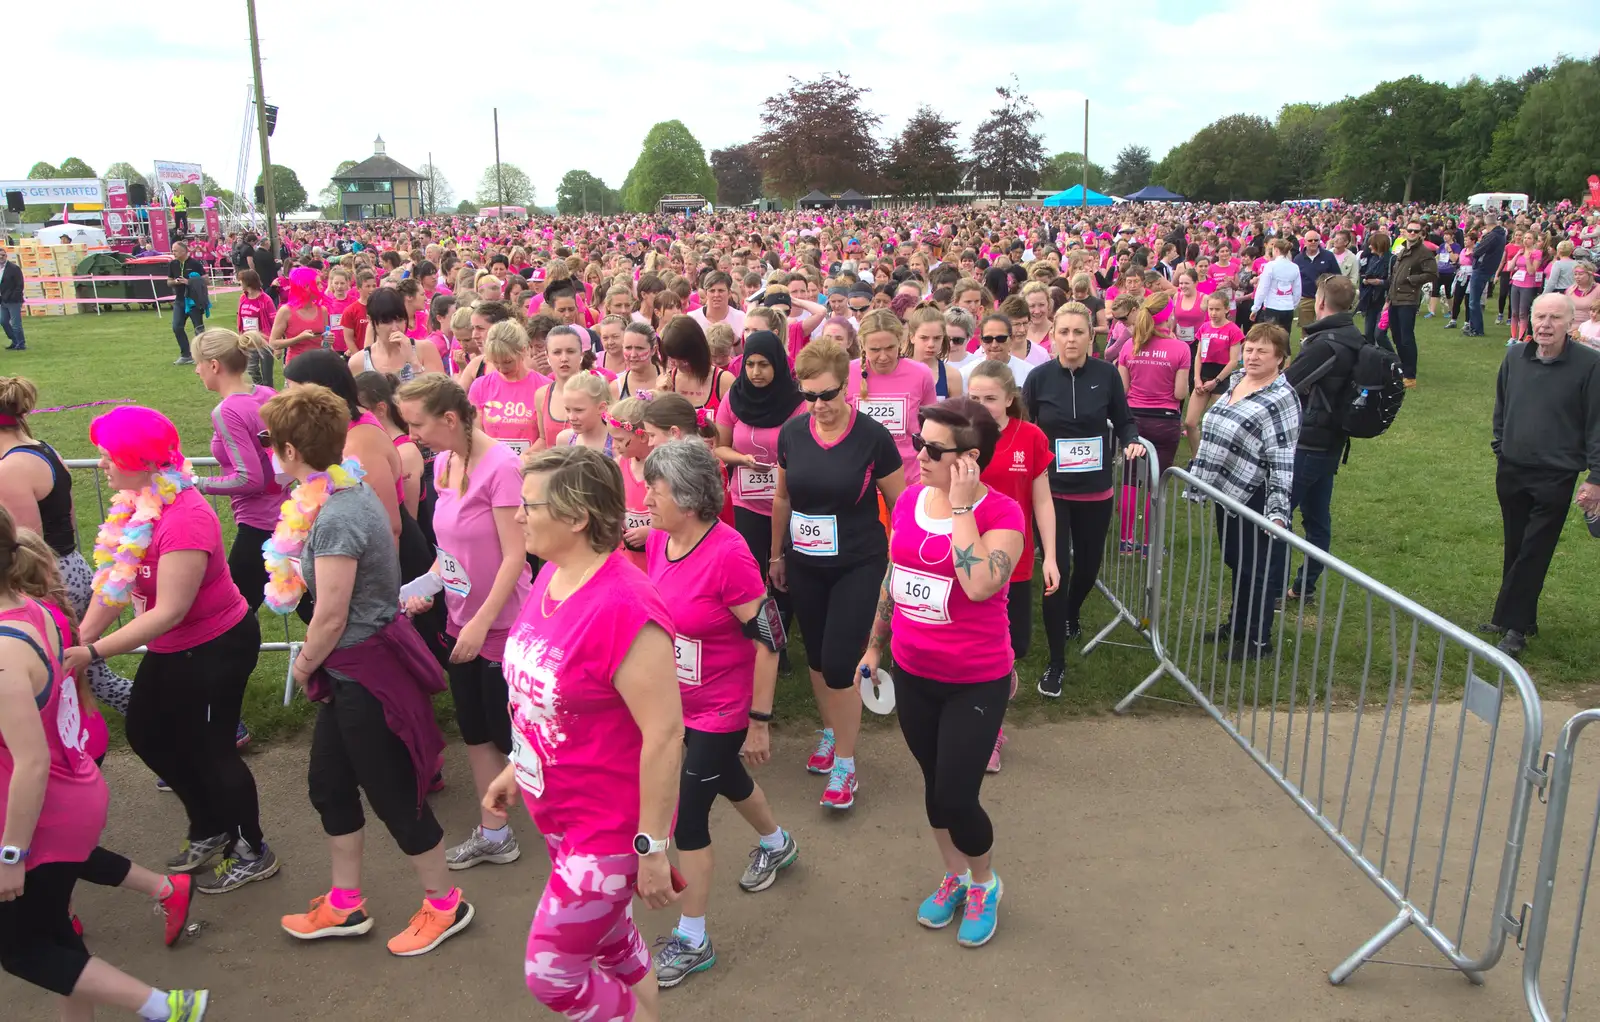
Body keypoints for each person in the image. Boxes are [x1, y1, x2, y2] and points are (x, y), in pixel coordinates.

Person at [262, 385, 473, 957]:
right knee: (329, 787)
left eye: (268, 442)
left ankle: (445, 904)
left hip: (365, 672)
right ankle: (345, 903)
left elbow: (329, 617)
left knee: (393, 793)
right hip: (353, 671)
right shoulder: (342, 490)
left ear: (287, 449)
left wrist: (305, 665)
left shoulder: (337, 514)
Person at [485, 445, 681, 1022]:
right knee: (611, 945)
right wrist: (515, 768)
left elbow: (666, 736)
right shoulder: (552, 572)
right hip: (560, 817)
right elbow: (543, 698)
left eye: (529, 505)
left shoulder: (625, 608)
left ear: (576, 518)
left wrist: (650, 848)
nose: (518, 516)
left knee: (552, 974)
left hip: (610, 831)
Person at [0, 509, 213, 1022]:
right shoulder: (31, 608)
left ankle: (166, 1008)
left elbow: (28, 762)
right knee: (56, 936)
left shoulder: (3, 652)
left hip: (41, 814)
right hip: (71, 793)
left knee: (22, 949)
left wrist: (10, 856)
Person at [66, 406, 276, 893]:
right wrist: (79, 635)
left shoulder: (185, 516)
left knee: (212, 747)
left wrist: (91, 653)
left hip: (215, 644)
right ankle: (209, 823)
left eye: (109, 455)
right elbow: (112, 584)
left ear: (141, 460)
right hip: (173, 646)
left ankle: (252, 848)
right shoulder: (136, 502)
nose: (102, 465)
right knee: (146, 732)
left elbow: (170, 611)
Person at [857, 397, 1024, 948]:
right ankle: (953, 873)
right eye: (916, 439)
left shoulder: (1002, 514)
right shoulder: (906, 500)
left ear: (969, 459)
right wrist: (874, 647)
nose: (917, 453)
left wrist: (959, 508)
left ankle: (984, 882)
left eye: (932, 447)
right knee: (934, 788)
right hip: (913, 671)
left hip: (975, 679)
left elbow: (979, 585)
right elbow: (894, 575)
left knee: (956, 796)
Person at [643, 439, 796, 988]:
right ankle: (778, 845)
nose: (646, 497)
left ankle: (693, 938)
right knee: (724, 776)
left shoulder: (728, 554)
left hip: (725, 705)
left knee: (688, 815)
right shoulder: (662, 538)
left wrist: (759, 718)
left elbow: (769, 636)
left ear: (686, 499)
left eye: (654, 490)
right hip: (681, 700)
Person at [770, 338, 905, 808]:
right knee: (817, 658)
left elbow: (899, 503)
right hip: (805, 562)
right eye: (808, 396)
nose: (819, 405)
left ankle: (846, 765)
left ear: (846, 387)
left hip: (858, 562)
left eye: (827, 395)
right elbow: (783, 498)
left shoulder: (872, 437)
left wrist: (900, 564)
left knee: (842, 660)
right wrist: (776, 555)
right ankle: (830, 731)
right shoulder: (792, 434)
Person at [1023, 302, 1145, 697]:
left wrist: (1131, 442)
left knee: (1088, 568)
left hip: (1095, 490)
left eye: (1078, 332)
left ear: (1090, 336)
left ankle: (1074, 612)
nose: (1071, 339)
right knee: (1056, 570)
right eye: (1064, 332)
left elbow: (1123, 419)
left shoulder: (1106, 375)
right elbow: (1026, 428)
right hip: (1051, 491)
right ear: (1053, 335)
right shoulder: (1039, 378)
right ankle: (1056, 661)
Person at [0, 377, 133, 722]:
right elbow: (67, 517)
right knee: (91, 678)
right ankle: (184, 720)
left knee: (64, 677)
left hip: (47, 580)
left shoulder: (11, 468)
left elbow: (27, 546)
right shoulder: (42, 449)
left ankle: (185, 719)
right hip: (67, 568)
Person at [1483, 293, 1600, 658]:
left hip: (1556, 473)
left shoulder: (1590, 365)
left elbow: (1598, 423)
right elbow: (1502, 404)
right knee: (1516, 543)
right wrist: (1501, 444)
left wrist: (1596, 476)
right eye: (1540, 317)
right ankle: (1518, 616)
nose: (1546, 325)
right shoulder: (1515, 356)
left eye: (1555, 318)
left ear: (1571, 324)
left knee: (1536, 549)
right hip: (1513, 468)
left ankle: (1515, 626)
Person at [1186, 323, 1302, 661]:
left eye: (1262, 351)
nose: (1252, 356)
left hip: (1257, 495)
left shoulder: (1282, 398)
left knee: (1257, 568)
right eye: (1249, 349)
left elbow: (1282, 460)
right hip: (1227, 492)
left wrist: (1278, 513)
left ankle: (1257, 640)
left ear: (1280, 358)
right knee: (1237, 561)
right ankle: (1237, 623)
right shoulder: (1238, 382)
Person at [966, 360, 1056, 773]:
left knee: (1011, 646)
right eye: (974, 398)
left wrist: (1050, 556)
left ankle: (993, 715)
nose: (982, 406)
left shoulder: (1030, 437)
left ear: (1009, 399)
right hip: (964, 557)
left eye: (990, 399)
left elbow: (1041, 500)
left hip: (1013, 563)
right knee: (973, 645)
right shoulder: (959, 435)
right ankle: (984, 730)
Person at [712, 330, 804, 640]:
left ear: (778, 364)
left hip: (790, 499)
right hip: (747, 500)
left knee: (784, 571)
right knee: (751, 571)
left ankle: (782, 635)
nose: (755, 372)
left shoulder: (797, 402)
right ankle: (760, 635)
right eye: (749, 364)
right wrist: (742, 459)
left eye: (763, 364)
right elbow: (719, 447)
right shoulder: (734, 397)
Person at [192, 329, 289, 620]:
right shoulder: (266, 394)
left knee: (229, 618)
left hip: (259, 526)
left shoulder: (227, 411)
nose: (196, 370)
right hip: (288, 519)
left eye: (198, 363)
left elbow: (250, 478)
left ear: (214, 365)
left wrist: (198, 484)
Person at [1281, 275, 1365, 602]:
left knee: (1278, 516)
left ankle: (1273, 587)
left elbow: (1287, 385)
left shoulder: (1326, 343)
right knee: (1317, 518)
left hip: (1310, 440)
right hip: (1331, 439)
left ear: (1319, 303)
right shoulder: (1353, 336)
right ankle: (1305, 587)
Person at [468, 320, 550, 457]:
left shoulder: (544, 387)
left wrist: (519, 460)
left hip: (531, 466)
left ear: (523, 351)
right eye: (495, 362)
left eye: (507, 362)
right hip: (493, 465)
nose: (502, 368)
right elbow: (476, 435)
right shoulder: (480, 386)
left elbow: (546, 438)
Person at [1185, 294, 1244, 454]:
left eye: (1217, 309)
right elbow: (1198, 356)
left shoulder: (1233, 330)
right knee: (1190, 423)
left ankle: (1218, 456)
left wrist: (1216, 381)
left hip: (1221, 378)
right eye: (1211, 309)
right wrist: (1197, 379)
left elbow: (1233, 361)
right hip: (1203, 375)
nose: (1213, 313)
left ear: (1226, 309)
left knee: (1219, 425)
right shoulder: (1204, 328)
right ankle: (1197, 458)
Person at [1387, 218, 1438, 388]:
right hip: (1395, 298)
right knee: (1397, 336)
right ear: (1405, 231)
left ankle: (1410, 374)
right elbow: (1395, 275)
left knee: (1407, 337)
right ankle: (1403, 368)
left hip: (1408, 299)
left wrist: (1411, 279)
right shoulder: (1402, 249)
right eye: (1410, 230)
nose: (1412, 233)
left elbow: (1432, 274)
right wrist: (1389, 297)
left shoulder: (1424, 252)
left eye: (1416, 231)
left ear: (1421, 233)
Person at [268, 267, 331, 377]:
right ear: (306, 287)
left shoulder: (323, 310)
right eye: (318, 284)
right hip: (296, 368)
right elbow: (273, 343)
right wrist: (298, 338)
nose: (322, 287)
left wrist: (328, 340)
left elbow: (326, 345)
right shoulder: (286, 311)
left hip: (320, 366)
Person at [1292, 229, 1340, 340]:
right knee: (1306, 329)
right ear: (1305, 242)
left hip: (1325, 298)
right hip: (1306, 298)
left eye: (1316, 240)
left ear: (1319, 241)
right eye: (1310, 240)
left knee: (1325, 327)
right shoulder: (1298, 259)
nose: (1313, 242)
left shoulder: (1328, 256)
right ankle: (1306, 351)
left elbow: (1337, 275)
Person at [1467, 214, 1508, 337]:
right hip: (1488, 268)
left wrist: (1478, 245)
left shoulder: (1493, 236)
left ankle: (1476, 329)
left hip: (1482, 268)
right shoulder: (1501, 235)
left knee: (1473, 301)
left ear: (1487, 223)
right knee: (1475, 300)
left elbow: (1478, 251)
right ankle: (1474, 326)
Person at [1251, 238, 1300, 338]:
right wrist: (1293, 304)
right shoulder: (1294, 267)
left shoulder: (1271, 265)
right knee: (1285, 338)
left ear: (1276, 250)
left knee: (1271, 339)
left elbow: (1262, 289)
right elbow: (1297, 290)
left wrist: (1255, 308)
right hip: (1288, 308)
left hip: (1273, 307)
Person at [166, 241, 205, 365]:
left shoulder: (195, 264)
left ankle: (202, 356)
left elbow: (206, 280)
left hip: (194, 300)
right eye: (172, 250)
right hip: (179, 300)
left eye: (175, 251)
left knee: (198, 329)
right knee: (176, 327)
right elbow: (168, 281)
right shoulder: (173, 264)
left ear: (184, 251)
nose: (173, 253)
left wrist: (189, 281)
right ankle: (186, 355)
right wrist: (176, 282)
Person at [0, 246, 23, 351]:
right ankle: (14, 340)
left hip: (14, 300)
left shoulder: (14, 268)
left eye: (3, 255)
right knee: (3, 321)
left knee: (16, 324)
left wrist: (14, 296)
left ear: (6, 256)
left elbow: (20, 284)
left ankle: (21, 344)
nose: (1, 257)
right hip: (3, 300)